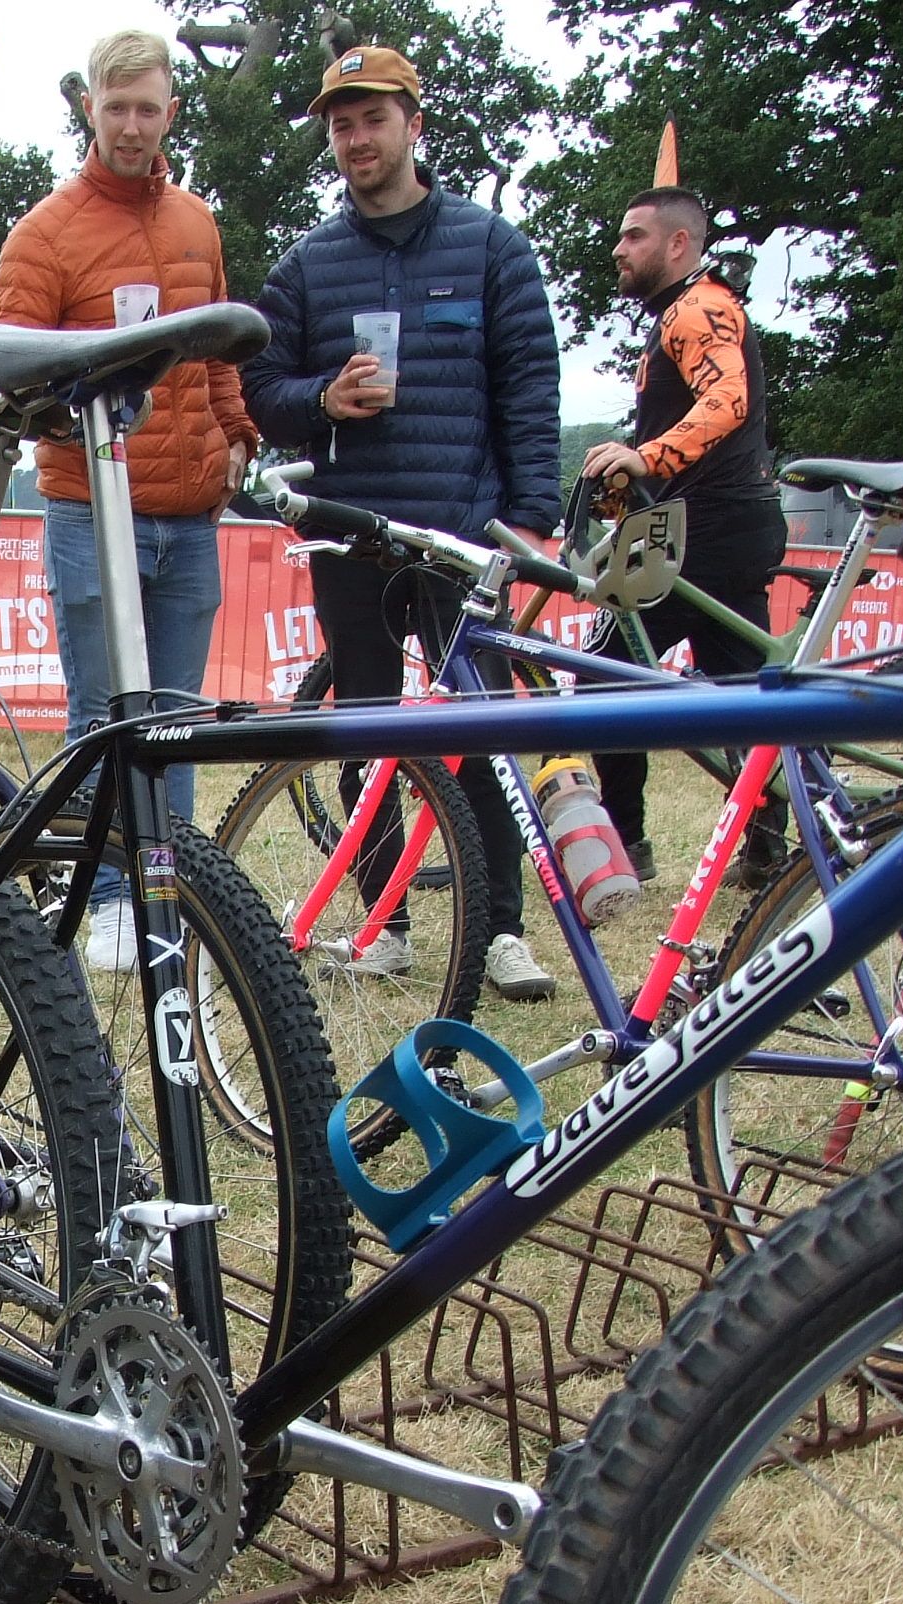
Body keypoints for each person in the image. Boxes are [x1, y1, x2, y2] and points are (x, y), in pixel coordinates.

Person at [242, 46, 564, 1001]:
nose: (354, 137)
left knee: (487, 736)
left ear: (414, 124)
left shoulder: (491, 246)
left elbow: (531, 390)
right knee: (368, 739)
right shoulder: (307, 265)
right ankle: (384, 924)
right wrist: (323, 401)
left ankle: (500, 930)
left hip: (464, 540)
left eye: (371, 118)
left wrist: (531, 521)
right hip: (351, 536)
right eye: (340, 124)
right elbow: (260, 391)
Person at [0, 27, 260, 973]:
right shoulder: (47, 233)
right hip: (88, 511)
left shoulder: (196, 223)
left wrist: (236, 434)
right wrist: (75, 424)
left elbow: (217, 353)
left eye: (150, 108)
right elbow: (12, 377)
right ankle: (101, 896)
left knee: (174, 723)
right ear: (91, 111)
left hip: (190, 517)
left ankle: (164, 892)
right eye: (118, 108)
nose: (134, 126)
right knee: (103, 716)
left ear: (169, 110)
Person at [579, 186, 790, 884]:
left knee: (604, 677)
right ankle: (766, 849)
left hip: (706, 528)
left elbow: (726, 399)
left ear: (679, 244)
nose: (619, 248)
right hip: (726, 521)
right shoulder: (687, 311)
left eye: (635, 235)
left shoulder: (699, 306)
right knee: (743, 696)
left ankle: (626, 845)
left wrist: (648, 457)